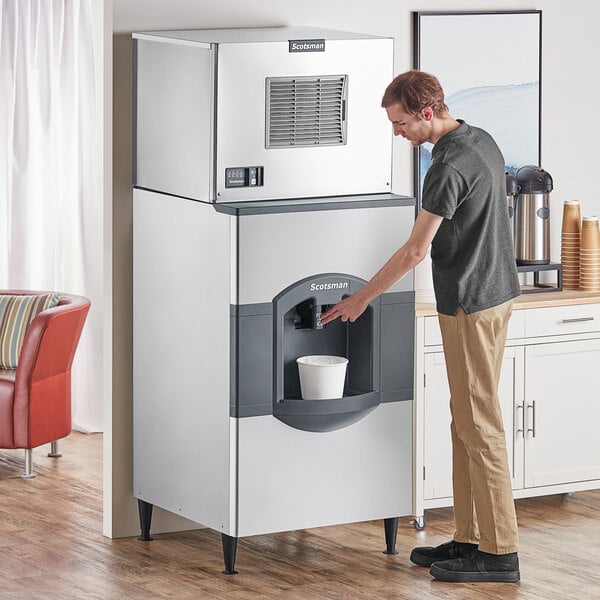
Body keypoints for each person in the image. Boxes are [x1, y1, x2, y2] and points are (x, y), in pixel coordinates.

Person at [320, 70, 521, 583]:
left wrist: (360, 300)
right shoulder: (480, 138)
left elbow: (415, 250)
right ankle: (471, 537)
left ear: (427, 113)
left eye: (401, 122)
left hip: (472, 303)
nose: (397, 132)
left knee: (481, 425)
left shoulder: (447, 166)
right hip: (490, 295)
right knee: (465, 422)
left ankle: (500, 553)